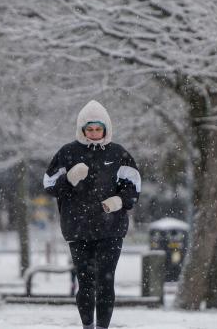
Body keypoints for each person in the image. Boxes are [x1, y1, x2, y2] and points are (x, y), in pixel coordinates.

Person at [43, 100, 141, 329]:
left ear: (106, 128)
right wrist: (68, 179)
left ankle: (103, 327)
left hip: (111, 229)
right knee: (85, 283)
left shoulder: (119, 153)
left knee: (106, 282)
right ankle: (87, 325)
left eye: (98, 129)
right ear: (82, 129)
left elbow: (134, 187)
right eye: (90, 129)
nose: (94, 133)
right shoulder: (67, 153)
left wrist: (118, 201)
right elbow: (48, 185)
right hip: (77, 228)